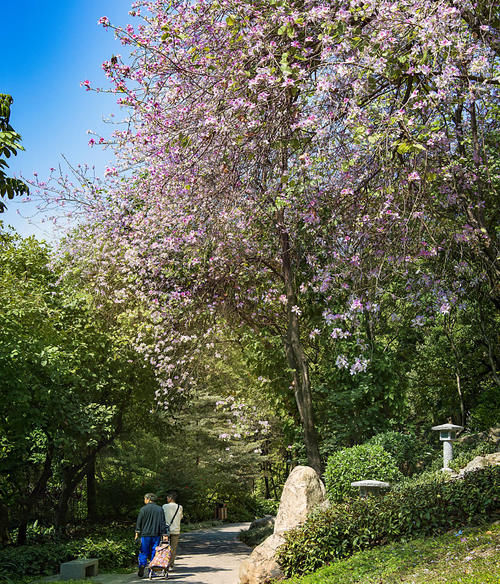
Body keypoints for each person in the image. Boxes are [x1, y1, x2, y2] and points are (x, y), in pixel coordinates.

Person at [135, 493, 168, 577]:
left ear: (148, 499)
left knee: (143, 551)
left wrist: (137, 533)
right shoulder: (159, 509)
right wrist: (164, 534)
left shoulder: (143, 509)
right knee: (154, 551)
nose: (144, 500)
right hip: (156, 534)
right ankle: (151, 570)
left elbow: (139, 522)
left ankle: (142, 564)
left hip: (145, 535)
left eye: (144, 499)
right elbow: (162, 523)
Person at [162, 491, 183, 569]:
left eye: (167, 497)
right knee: (173, 549)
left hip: (165, 531)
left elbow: (162, 517)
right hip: (176, 530)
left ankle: (164, 563)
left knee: (164, 547)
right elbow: (181, 517)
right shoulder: (179, 507)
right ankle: (171, 564)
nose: (166, 499)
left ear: (170, 498)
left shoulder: (164, 506)